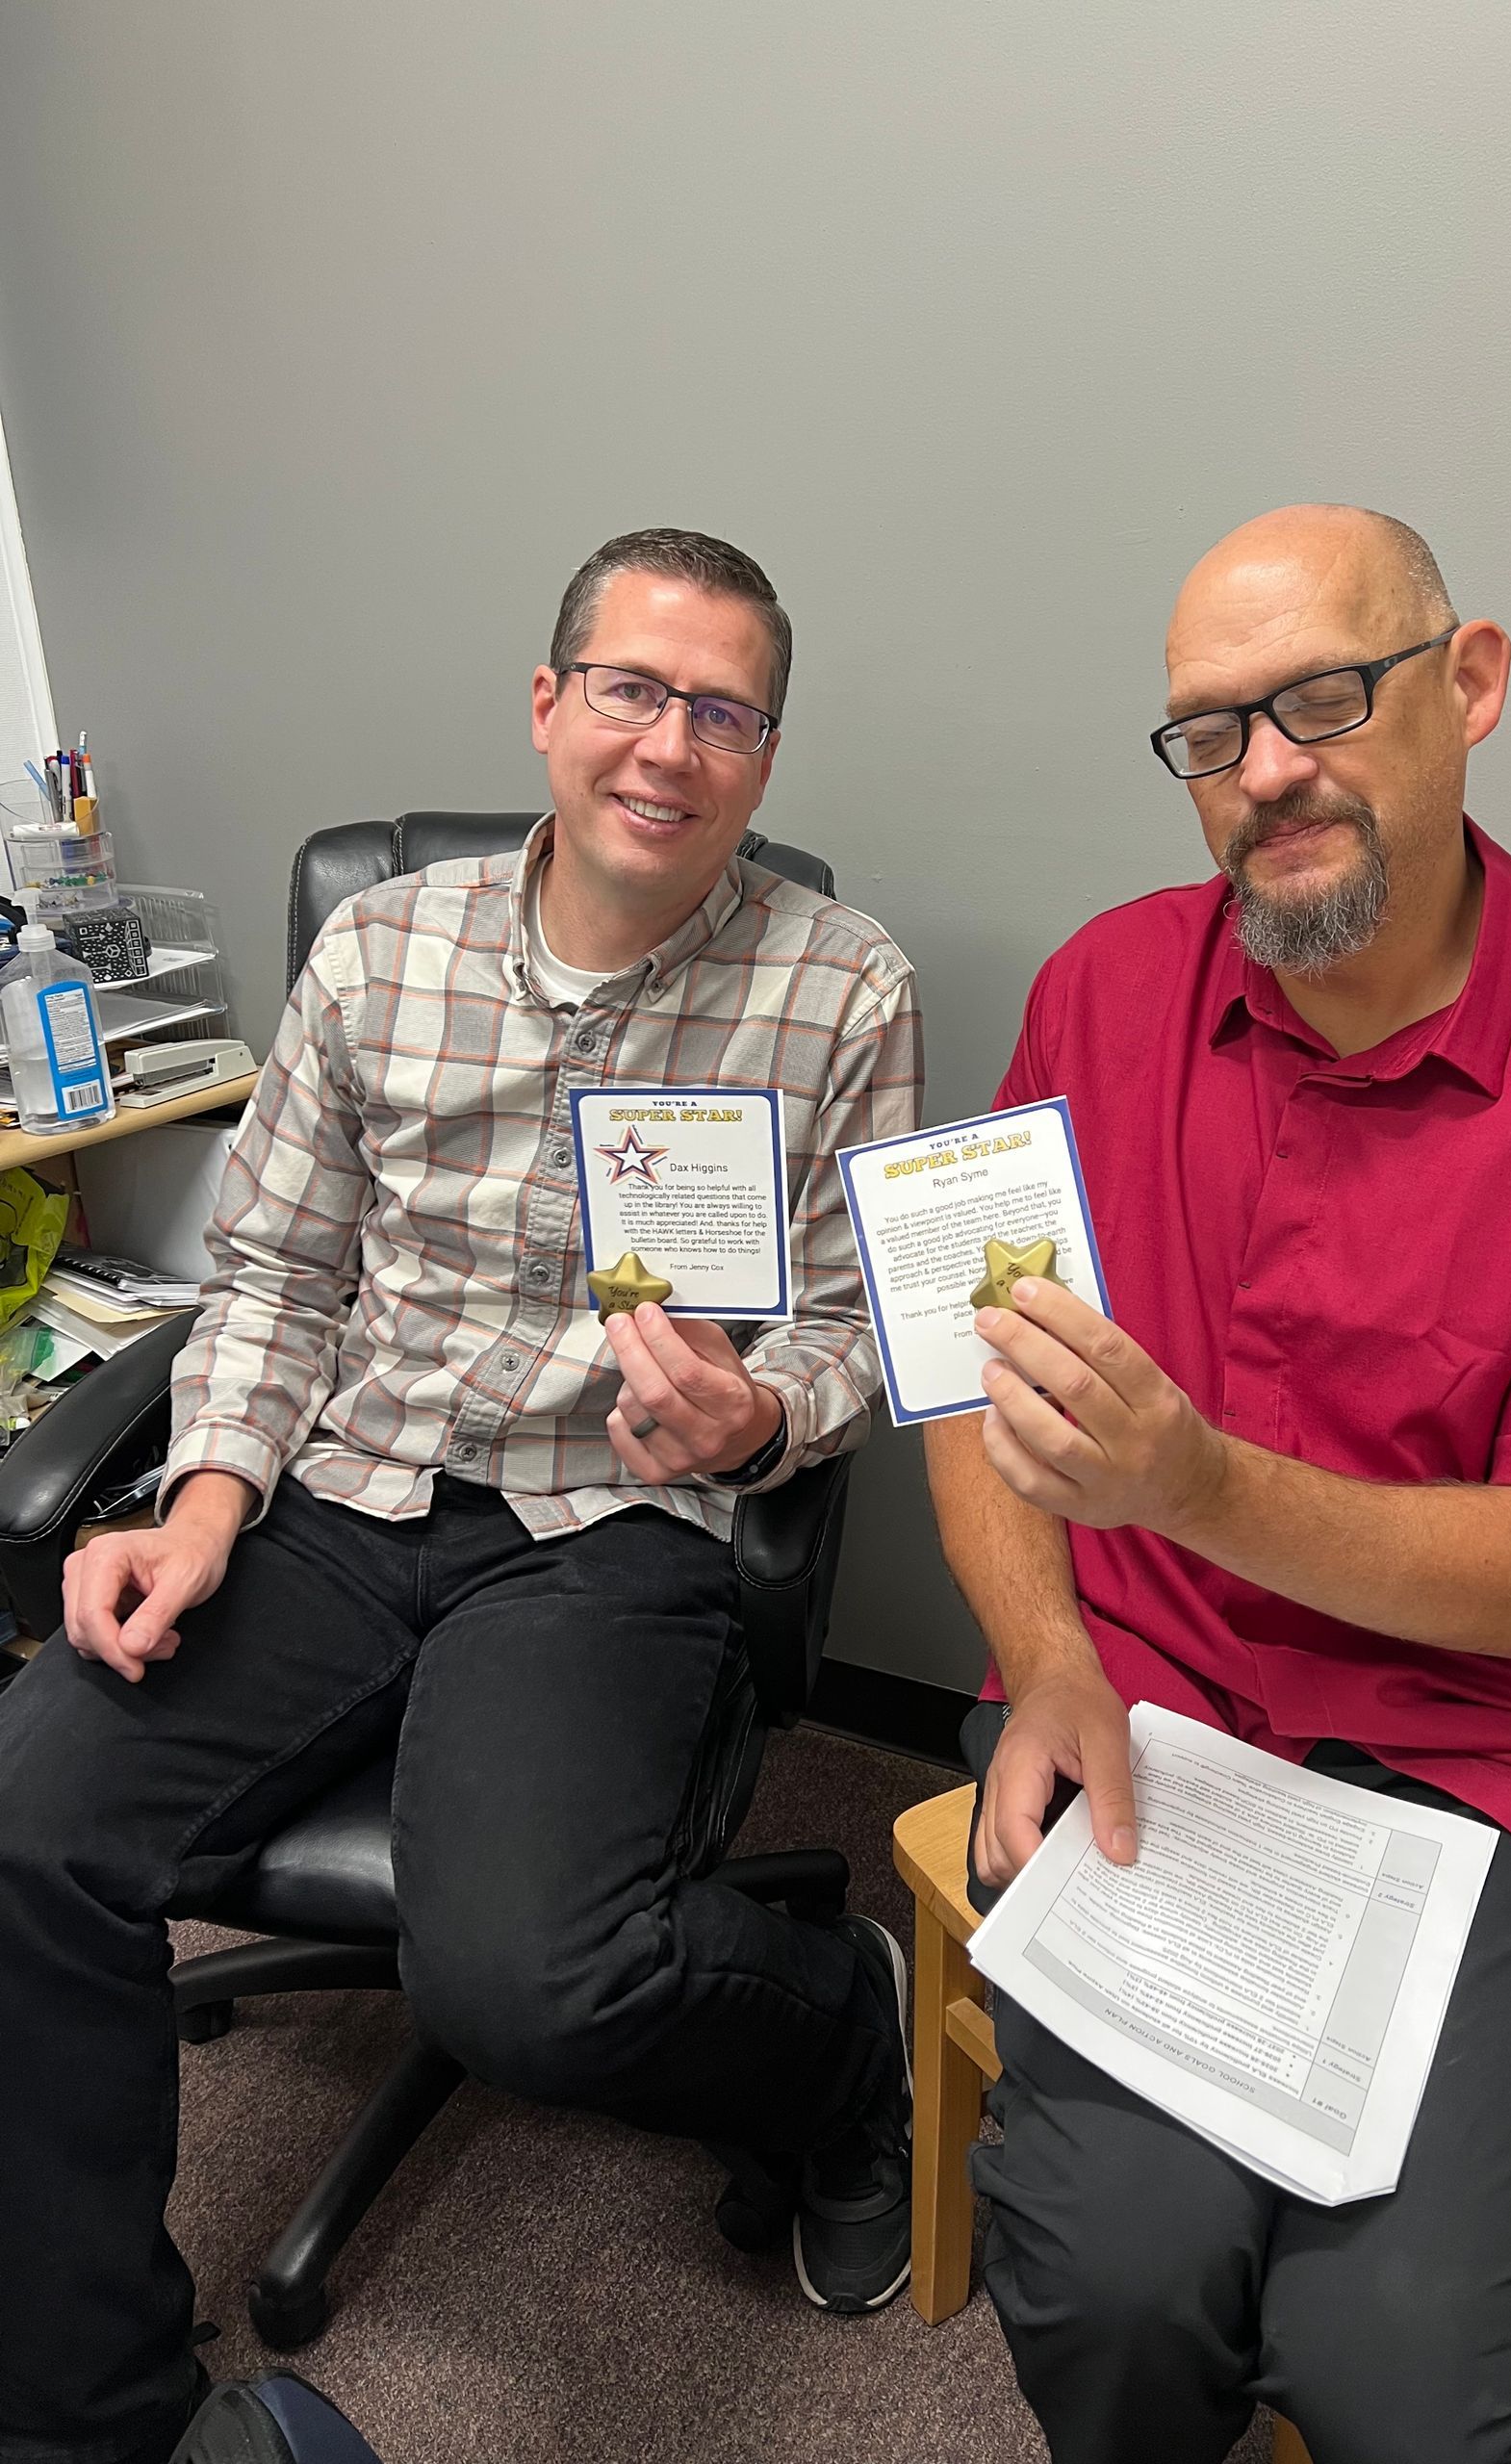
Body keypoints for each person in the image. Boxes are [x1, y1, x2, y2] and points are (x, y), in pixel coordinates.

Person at [0, 528, 923, 2464]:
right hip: (341, 1487)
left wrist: (756, 1415)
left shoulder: (840, 986)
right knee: (29, 1809)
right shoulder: (380, 945)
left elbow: (868, 1330)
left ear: (769, 753)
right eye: (632, 688)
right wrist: (207, 1491)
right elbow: (270, 1273)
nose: (670, 745)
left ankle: (842, 2027)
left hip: (610, 1526)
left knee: (535, 1987)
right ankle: (108, 2423)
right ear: (548, 700)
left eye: (726, 711)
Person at [926, 503, 1511, 2464]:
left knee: (1413, 2368)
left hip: (1496, 1767)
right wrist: (1044, 1650)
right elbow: (961, 1383)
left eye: (1320, 697)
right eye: (1211, 734)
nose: (1267, 772)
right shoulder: (1102, 988)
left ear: (1468, 682)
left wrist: (1195, 1478)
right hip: (1153, 1721)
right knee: (1115, 2285)